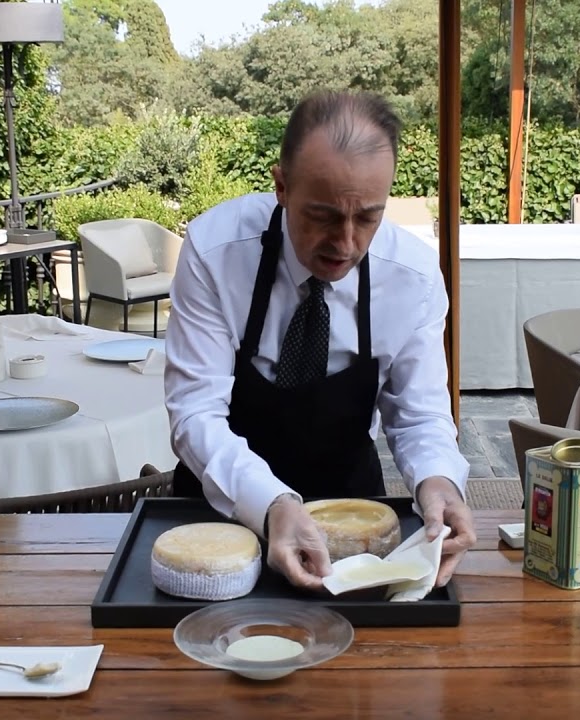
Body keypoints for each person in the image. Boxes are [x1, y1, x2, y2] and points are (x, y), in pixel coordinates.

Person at [163, 90, 475, 592]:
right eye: (324, 215)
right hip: (215, 528)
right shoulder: (214, 251)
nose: (346, 242)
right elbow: (195, 413)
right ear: (282, 186)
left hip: (356, 537)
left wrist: (438, 481)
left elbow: (420, 416)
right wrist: (272, 505)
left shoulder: (412, 277)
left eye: (368, 217)